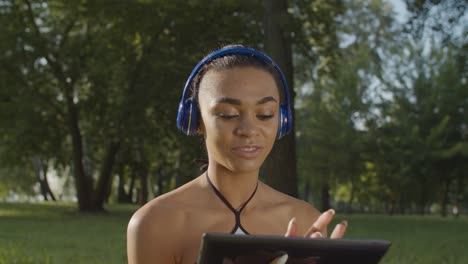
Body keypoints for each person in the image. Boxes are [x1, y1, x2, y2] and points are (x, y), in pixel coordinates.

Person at [127, 45, 348, 264]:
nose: (249, 130)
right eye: (228, 114)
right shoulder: (156, 223)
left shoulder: (305, 219)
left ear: (281, 121)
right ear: (195, 121)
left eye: (265, 114)